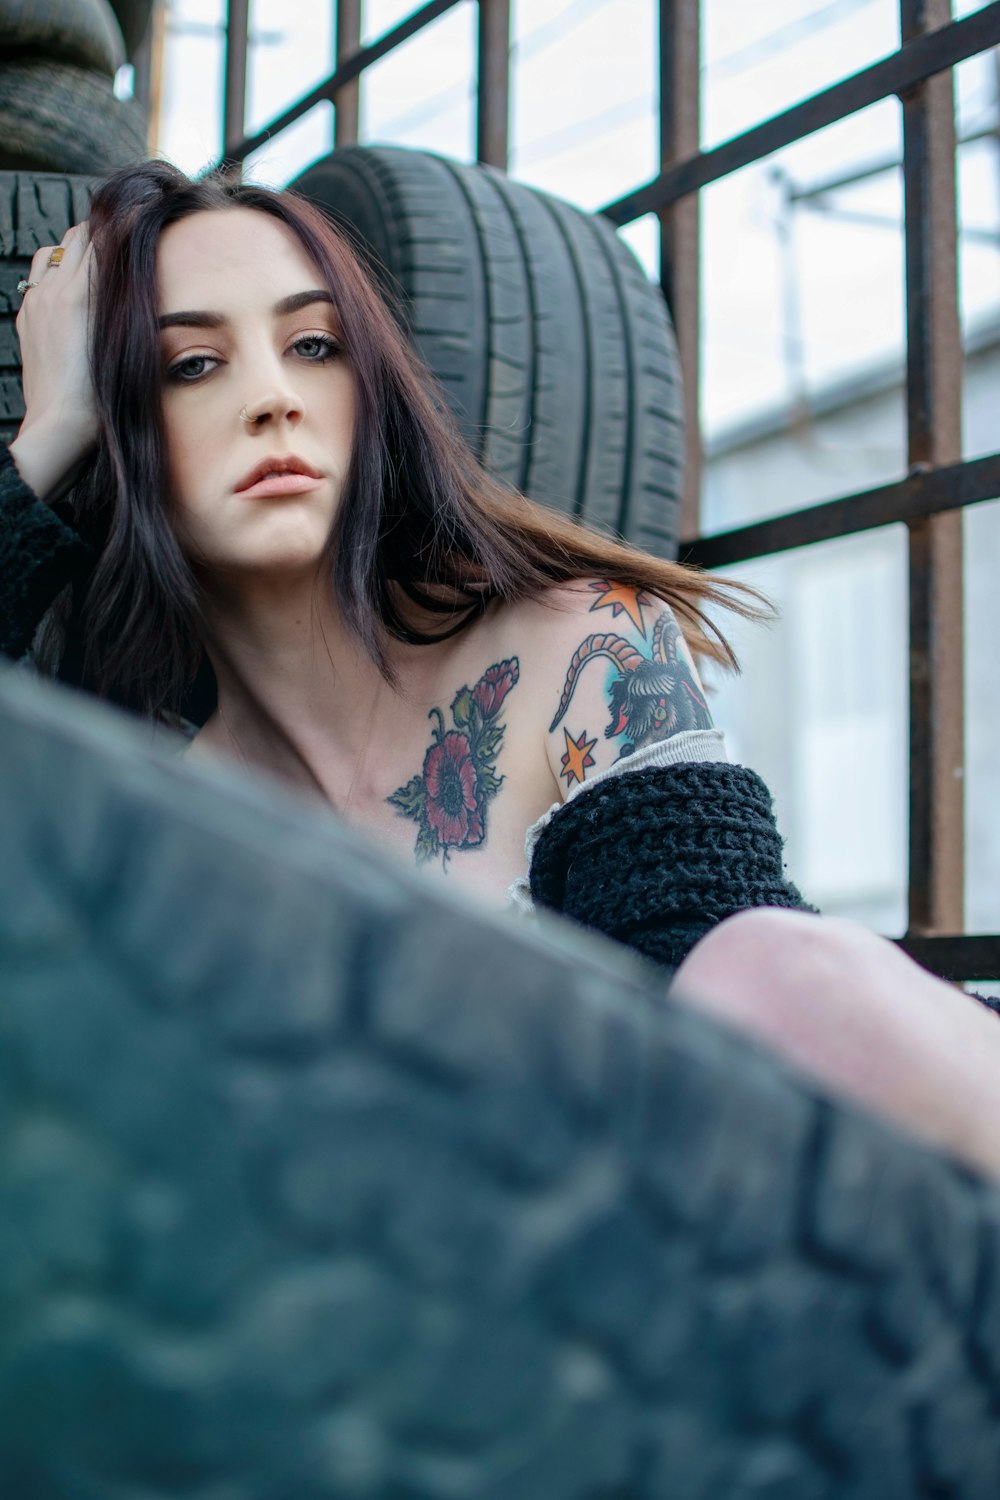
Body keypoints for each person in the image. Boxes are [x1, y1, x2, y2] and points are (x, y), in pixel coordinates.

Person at [4, 159, 1000, 1184]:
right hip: (419, 1297)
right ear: (118, 424)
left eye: (314, 347)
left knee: (770, 968)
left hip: (766, 1204)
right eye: (190, 365)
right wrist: (46, 440)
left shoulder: (580, 652)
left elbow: (716, 997)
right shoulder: (153, 804)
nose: (273, 399)